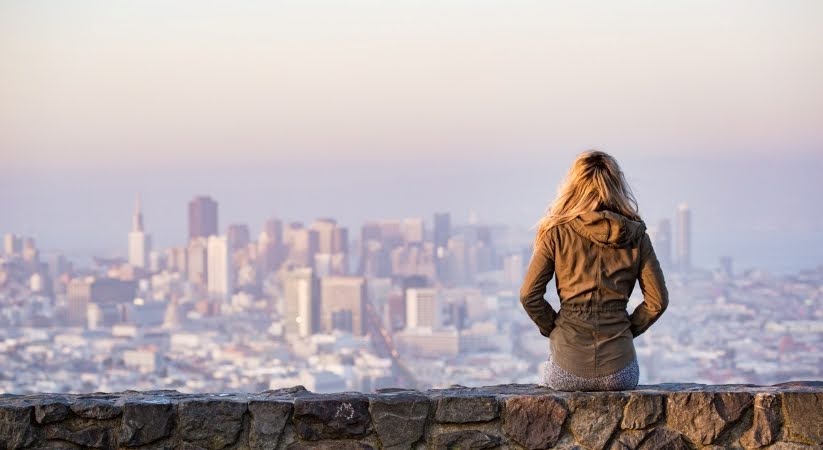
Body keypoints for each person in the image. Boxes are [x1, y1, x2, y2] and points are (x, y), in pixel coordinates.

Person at [519, 150, 669, 391]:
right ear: (617, 186)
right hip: (621, 371)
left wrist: (555, 328)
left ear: (573, 186)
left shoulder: (556, 233)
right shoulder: (637, 236)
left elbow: (528, 295)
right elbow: (657, 301)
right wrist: (626, 329)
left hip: (566, 367)